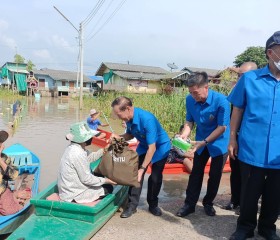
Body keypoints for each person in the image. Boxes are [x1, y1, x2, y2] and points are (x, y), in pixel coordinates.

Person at [228, 31, 280, 240]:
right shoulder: (250, 79)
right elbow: (238, 109)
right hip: (252, 147)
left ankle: (267, 227)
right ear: (270, 53)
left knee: (275, 194)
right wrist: (232, 138)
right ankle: (245, 227)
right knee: (249, 191)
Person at [176, 71, 230, 217]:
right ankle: (189, 204)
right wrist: (184, 135)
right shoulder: (189, 99)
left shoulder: (221, 101)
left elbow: (222, 127)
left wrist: (205, 142)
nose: (194, 96)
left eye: (196, 93)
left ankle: (208, 203)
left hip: (219, 143)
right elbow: (189, 121)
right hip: (200, 141)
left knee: (215, 175)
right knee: (196, 173)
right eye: (191, 93)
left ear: (206, 87)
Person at [111, 96, 170, 218]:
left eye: (118, 114)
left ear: (127, 109)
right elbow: (129, 134)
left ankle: (153, 204)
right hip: (144, 145)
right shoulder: (128, 119)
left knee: (155, 177)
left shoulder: (147, 119)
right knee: (134, 175)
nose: (118, 117)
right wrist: (118, 137)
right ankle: (132, 206)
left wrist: (142, 169)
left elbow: (152, 148)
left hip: (160, 147)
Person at [224, 62, 257, 214]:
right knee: (235, 171)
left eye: (243, 75)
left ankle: (250, 204)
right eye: (239, 75)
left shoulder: (258, 90)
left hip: (253, 140)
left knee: (251, 175)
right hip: (237, 138)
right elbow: (233, 115)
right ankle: (235, 200)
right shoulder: (237, 90)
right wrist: (232, 138)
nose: (240, 78)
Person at [58, 121, 116, 203]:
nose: (91, 138)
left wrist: (106, 147)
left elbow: (90, 157)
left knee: (99, 177)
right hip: (74, 194)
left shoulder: (75, 147)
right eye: (90, 137)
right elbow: (87, 179)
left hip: (70, 188)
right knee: (108, 188)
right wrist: (107, 180)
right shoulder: (77, 153)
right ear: (83, 139)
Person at [0, 130, 31, 215]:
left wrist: (1, 161)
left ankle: (13, 197)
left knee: (9, 210)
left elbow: (13, 176)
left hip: (2, 190)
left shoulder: (5, 158)